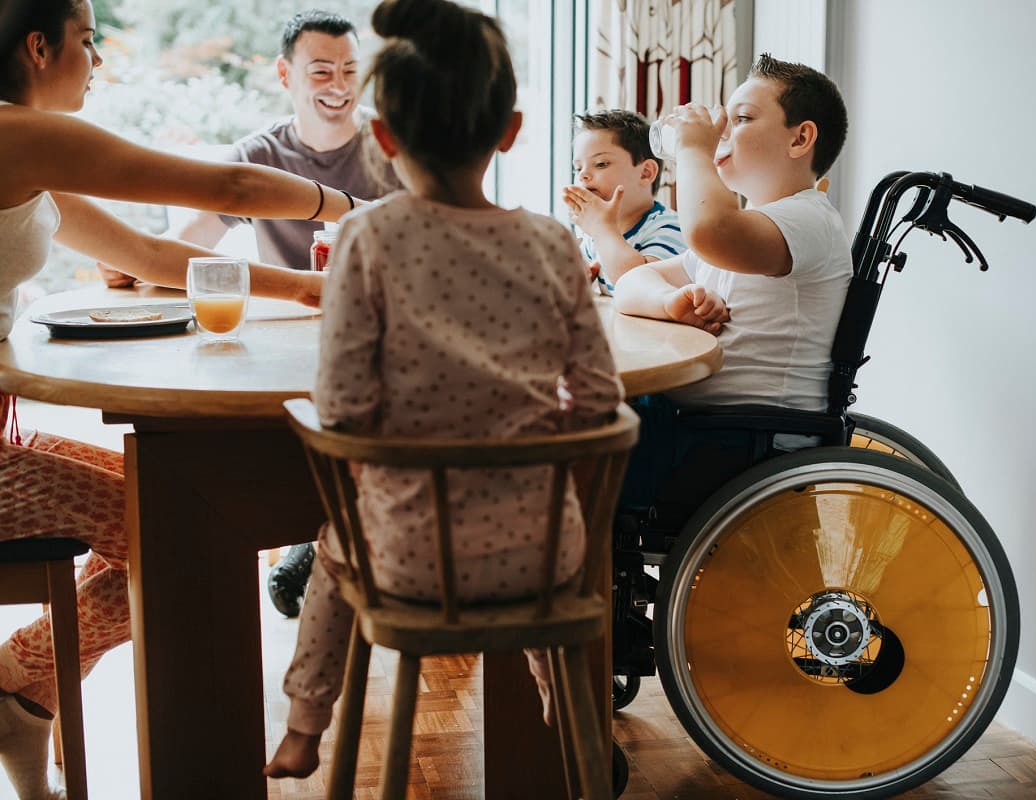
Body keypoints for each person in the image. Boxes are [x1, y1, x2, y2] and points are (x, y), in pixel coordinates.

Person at [0, 2, 359, 797]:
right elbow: (228, 184)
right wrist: (351, 210)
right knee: (185, 529)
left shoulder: (23, 155)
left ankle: (22, 695)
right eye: (89, 41)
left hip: (4, 434)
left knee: (181, 509)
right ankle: (16, 681)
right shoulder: (15, 133)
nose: (98, 59)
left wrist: (309, 288)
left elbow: (154, 254)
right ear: (37, 46)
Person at [263, 0, 624, 779]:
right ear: (512, 130)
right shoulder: (554, 243)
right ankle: (563, 703)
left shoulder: (368, 236)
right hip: (546, 555)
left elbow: (345, 406)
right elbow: (599, 401)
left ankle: (303, 724)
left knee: (335, 546)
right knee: (535, 548)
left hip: (411, 561)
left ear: (383, 139)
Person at [164, 9, 403, 619]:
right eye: (321, 70)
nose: (339, 85)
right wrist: (137, 263)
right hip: (289, 344)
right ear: (285, 75)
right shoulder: (259, 154)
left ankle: (319, 538)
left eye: (351, 69)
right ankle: (315, 533)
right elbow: (187, 243)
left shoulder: (394, 146)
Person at [613, 53, 852, 528]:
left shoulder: (808, 221)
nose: (721, 130)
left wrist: (694, 151)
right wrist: (669, 302)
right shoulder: (746, 232)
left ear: (800, 138)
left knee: (580, 436)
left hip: (748, 443)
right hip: (705, 430)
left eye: (740, 118)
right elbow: (631, 281)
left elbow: (708, 230)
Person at [563, 109, 684, 294]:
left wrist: (602, 229)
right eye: (578, 168)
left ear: (646, 173)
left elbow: (639, 290)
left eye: (601, 164)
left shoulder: (671, 229)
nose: (583, 175)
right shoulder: (594, 234)